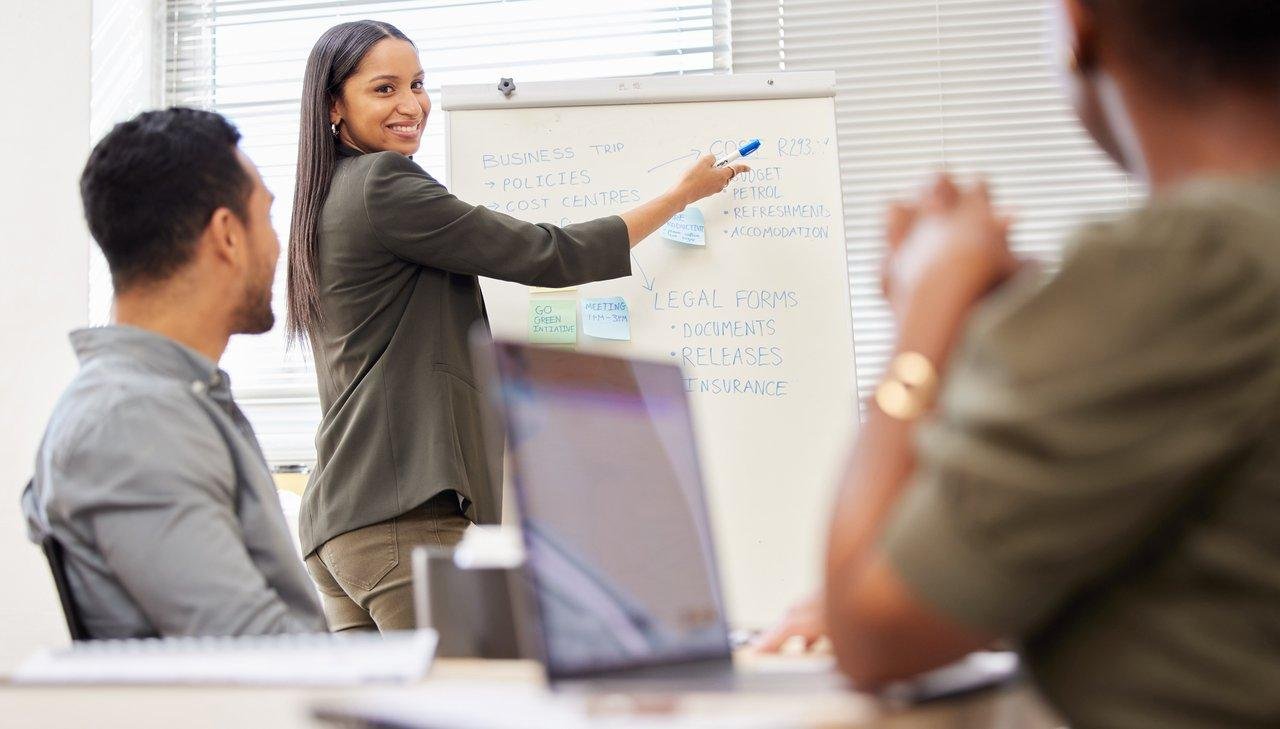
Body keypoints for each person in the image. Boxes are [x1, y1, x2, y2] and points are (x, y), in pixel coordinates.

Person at [764, 0, 1280, 726]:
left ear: (1078, 28)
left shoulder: (1191, 263)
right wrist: (952, 579)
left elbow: (869, 633)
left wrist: (926, 310)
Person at [287, 20, 747, 633]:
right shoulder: (382, 184)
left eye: (418, 84)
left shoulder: (323, 198)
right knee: (471, 706)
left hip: (338, 525)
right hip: (399, 518)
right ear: (333, 106)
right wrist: (680, 196)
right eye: (384, 89)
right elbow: (548, 254)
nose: (411, 105)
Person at [22, 108, 327, 639]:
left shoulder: (166, 402)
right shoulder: (132, 421)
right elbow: (262, 658)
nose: (280, 245)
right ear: (228, 235)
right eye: (269, 218)